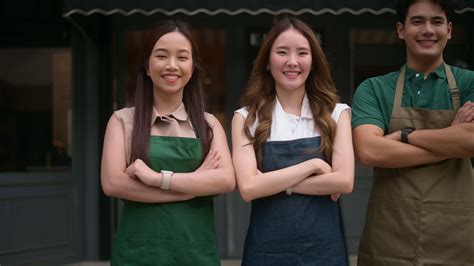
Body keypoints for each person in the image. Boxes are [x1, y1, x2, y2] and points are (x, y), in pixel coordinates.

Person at [100, 20, 235, 265]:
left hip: (196, 253)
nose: (172, 65)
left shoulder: (208, 125)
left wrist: (157, 179)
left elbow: (226, 180)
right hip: (138, 255)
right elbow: (112, 183)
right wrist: (191, 187)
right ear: (148, 67)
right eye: (161, 56)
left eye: (182, 57)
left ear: (192, 67)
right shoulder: (122, 121)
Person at [352, 0, 474, 264]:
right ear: (400, 30)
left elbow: (471, 141)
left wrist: (405, 135)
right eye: (417, 21)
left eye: (437, 22)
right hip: (389, 239)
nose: (428, 29)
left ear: (449, 30)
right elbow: (369, 150)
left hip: (457, 238)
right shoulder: (373, 89)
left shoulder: (470, 83)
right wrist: (450, 139)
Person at [232, 17, 354, 266]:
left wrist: (271, 182)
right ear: (267, 62)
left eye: (302, 53)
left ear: (313, 61)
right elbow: (248, 188)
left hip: (324, 251)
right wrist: (313, 167)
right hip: (265, 252)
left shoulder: (337, 113)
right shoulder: (246, 118)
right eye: (282, 52)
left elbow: (344, 181)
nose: (292, 62)